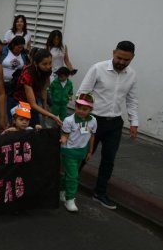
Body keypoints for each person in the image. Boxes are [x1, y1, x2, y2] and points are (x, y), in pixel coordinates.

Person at [78, 41, 138, 210]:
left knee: (109, 159)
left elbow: (132, 99)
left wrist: (134, 122)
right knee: (82, 154)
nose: (121, 62)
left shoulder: (132, 75)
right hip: (92, 120)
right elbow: (82, 93)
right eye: (119, 57)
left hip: (115, 124)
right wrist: (82, 118)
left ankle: (100, 193)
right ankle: (68, 185)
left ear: (132, 58)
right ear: (113, 53)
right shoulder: (98, 68)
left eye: (126, 59)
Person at [59, 93, 97, 213]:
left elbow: (92, 136)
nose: (81, 111)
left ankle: (61, 190)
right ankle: (70, 199)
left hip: (82, 152)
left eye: (85, 109)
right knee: (74, 176)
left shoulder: (93, 121)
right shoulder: (69, 120)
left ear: (90, 109)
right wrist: (62, 139)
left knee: (69, 175)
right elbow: (64, 135)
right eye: (78, 107)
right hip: (69, 151)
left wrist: (90, 151)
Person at [12, 49, 62, 127]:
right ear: (36, 63)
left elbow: (43, 89)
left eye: (50, 63)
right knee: (23, 125)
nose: (48, 66)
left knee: (37, 126)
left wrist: (44, 107)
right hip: (21, 101)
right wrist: (52, 116)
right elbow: (32, 104)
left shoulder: (47, 70)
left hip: (34, 98)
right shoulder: (27, 75)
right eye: (44, 64)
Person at [0, 36, 29, 118]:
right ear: (13, 45)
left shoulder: (23, 54)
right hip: (1, 80)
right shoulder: (4, 51)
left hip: (15, 83)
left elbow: (26, 67)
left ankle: (11, 118)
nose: (20, 49)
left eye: (21, 47)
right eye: (18, 47)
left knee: (11, 101)